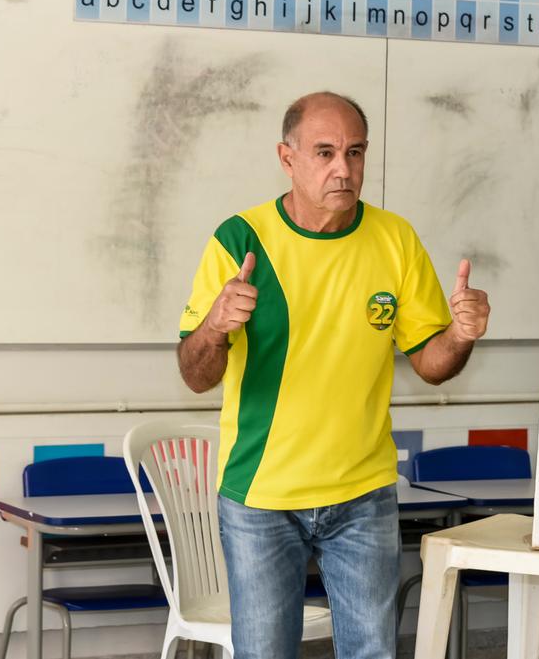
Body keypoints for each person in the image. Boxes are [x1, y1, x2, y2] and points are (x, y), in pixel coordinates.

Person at [176, 91, 490, 659]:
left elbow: (432, 364)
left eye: (355, 152)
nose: (343, 169)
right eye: (324, 153)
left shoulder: (395, 239)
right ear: (287, 157)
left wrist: (461, 336)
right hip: (261, 497)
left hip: (363, 494)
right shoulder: (240, 240)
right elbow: (196, 375)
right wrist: (216, 326)